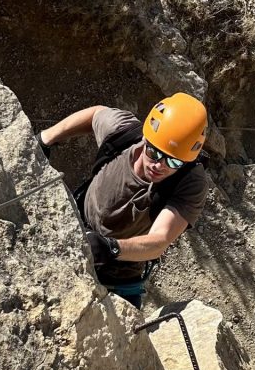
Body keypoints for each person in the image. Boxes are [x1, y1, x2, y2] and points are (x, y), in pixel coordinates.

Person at [38, 93, 209, 308]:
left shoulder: (190, 183)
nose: (159, 165)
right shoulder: (125, 133)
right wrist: (45, 138)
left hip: (117, 277)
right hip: (74, 227)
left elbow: (159, 240)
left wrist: (111, 249)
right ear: (145, 139)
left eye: (173, 162)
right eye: (154, 152)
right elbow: (96, 114)